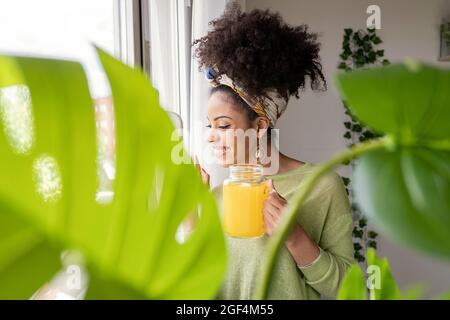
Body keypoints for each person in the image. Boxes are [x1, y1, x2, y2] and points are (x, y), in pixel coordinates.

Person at [193, 3, 355, 300]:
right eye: (209, 126)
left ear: (259, 126)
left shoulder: (322, 187)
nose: (211, 138)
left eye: (224, 126)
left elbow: (349, 289)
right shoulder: (216, 195)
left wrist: (295, 238)